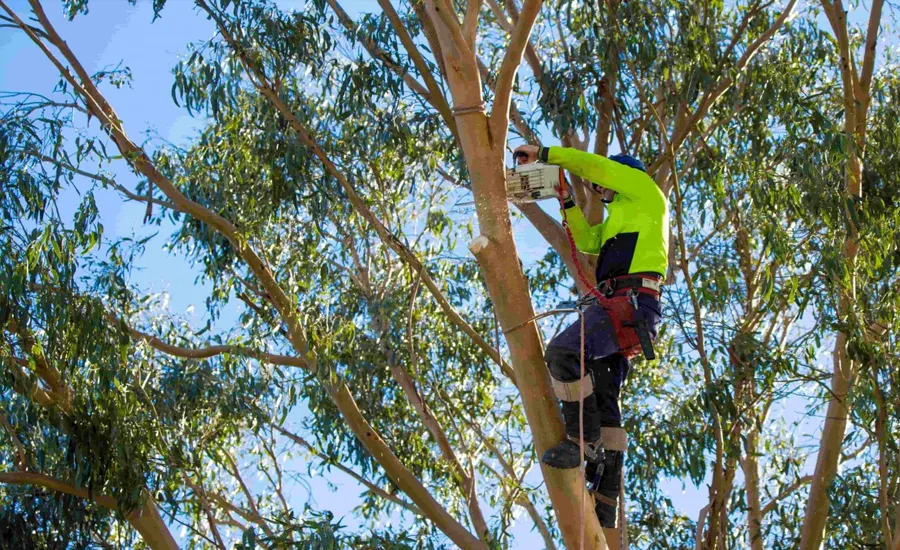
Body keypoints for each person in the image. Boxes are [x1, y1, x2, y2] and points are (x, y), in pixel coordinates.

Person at [513, 144, 669, 529]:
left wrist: (547, 153)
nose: (601, 190)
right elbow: (585, 242)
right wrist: (566, 202)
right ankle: (605, 498)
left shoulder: (645, 190)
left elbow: (595, 166)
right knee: (602, 395)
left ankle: (581, 442)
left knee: (564, 352)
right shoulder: (621, 218)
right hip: (622, 307)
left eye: (604, 185)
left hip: (629, 302)